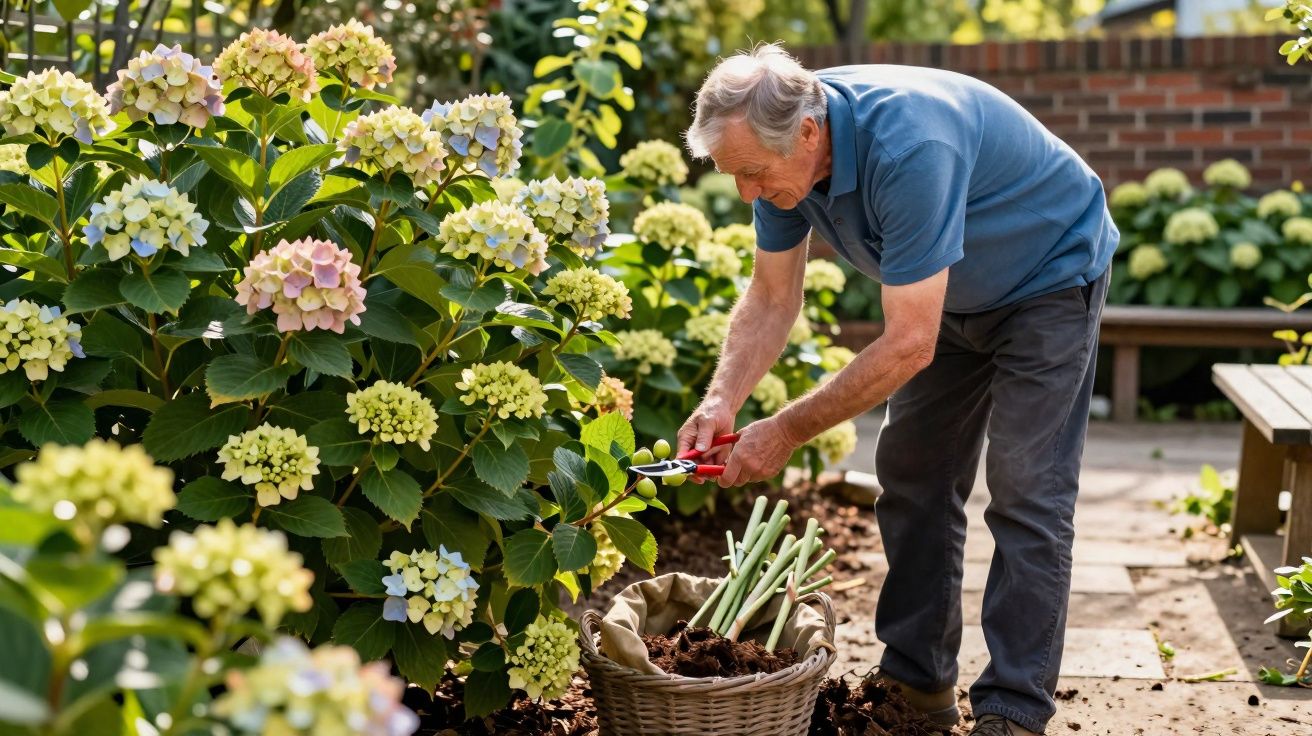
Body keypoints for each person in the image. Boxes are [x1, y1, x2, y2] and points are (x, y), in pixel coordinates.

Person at [676, 43, 1117, 736]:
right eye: (736, 177)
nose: (747, 195)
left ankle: (1013, 707)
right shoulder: (781, 159)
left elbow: (910, 341)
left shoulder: (910, 145)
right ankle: (918, 684)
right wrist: (721, 399)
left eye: (753, 174)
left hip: (1047, 276)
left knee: (1027, 484)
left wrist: (785, 429)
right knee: (913, 470)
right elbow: (769, 298)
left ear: (809, 133)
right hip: (947, 294)